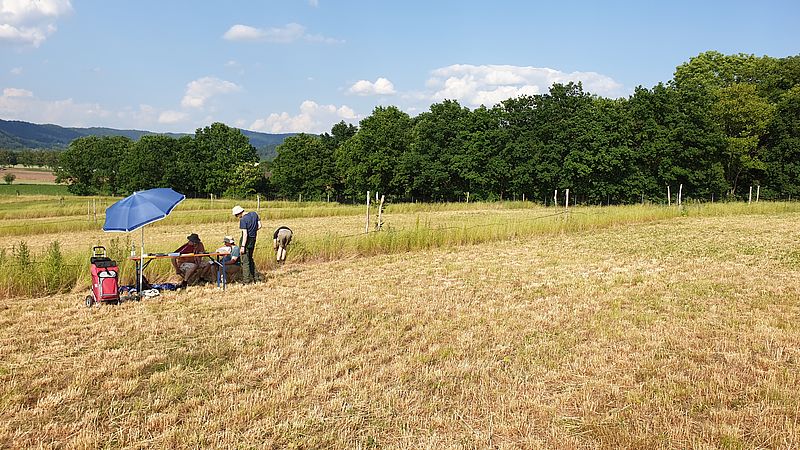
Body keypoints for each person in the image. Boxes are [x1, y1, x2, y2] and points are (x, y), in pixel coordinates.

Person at [232, 205, 261, 283]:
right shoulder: (254, 214)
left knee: (245, 261)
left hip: (246, 241)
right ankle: (256, 278)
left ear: (238, 213)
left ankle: (246, 280)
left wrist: (243, 246)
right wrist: (253, 230)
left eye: (236, 215)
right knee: (250, 259)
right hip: (253, 239)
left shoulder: (243, 220)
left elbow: (245, 234)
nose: (237, 217)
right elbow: (260, 226)